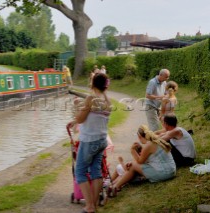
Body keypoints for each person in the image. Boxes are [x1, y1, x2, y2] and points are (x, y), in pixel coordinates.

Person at [67, 73, 111, 213]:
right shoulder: (107, 100)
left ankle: (89, 206)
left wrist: (76, 115)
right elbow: (93, 116)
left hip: (89, 141)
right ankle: (95, 204)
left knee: (80, 172)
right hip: (102, 140)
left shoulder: (91, 98)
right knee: (95, 171)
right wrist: (75, 120)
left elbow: (81, 118)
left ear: (93, 83)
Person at [109, 125, 176, 197]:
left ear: (139, 137)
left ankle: (116, 186)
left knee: (133, 166)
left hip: (165, 173)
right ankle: (116, 185)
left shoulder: (148, 145)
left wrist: (132, 151)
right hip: (171, 170)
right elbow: (146, 160)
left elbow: (140, 162)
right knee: (133, 165)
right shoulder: (156, 139)